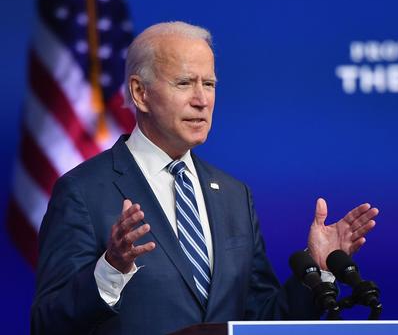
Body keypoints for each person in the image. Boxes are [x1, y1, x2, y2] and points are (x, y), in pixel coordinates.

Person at [31, 22, 378, 335]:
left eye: (209, 84)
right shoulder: (82, 192)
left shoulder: (233, 195)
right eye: (184, 83)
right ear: (140, 93)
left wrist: (316, 272)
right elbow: (47, 323)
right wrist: (109, 270)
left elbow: (260, 319)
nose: (201, 100)